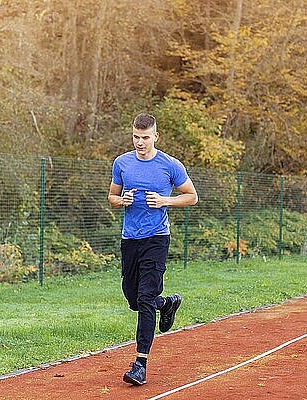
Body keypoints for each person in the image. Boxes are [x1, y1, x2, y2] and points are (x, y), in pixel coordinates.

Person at [108, 112, 198, 386]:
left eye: (145, 137)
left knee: (145, 297)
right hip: (130, 240)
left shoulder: (169, 165)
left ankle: (140, 364)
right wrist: (119, 200)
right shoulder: (121, 163)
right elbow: (111, 196)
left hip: (157, 238)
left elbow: (192, 196)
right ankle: (167, 304)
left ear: (155, 137)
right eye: (136, 137)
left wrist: (165, 201)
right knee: (134, 299)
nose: (140, 142)